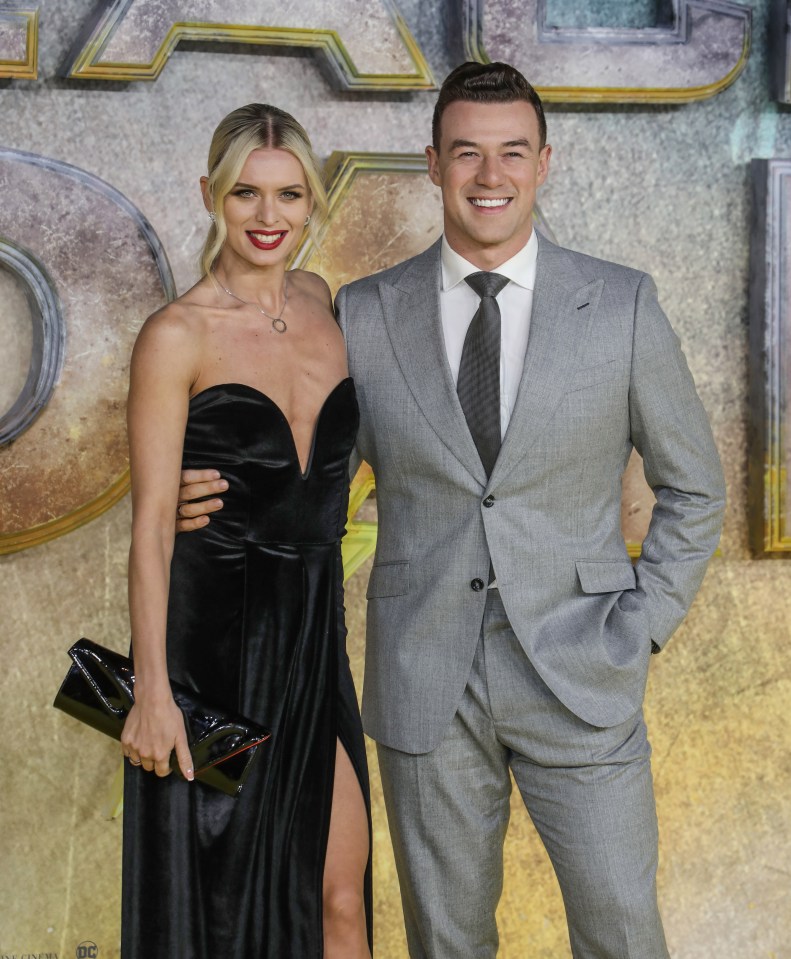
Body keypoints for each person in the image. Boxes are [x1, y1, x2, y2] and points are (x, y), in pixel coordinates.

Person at [178, 63, 726, 959]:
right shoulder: (363, 312)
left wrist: (643, 625)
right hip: (423, 675)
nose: (488, 175)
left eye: (511, 151)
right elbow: (306, 476)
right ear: (431, 164)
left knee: (623, 932)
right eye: (466, 151)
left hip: (583, 672)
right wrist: (203, 498)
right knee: (446, 941)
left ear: (544, 163)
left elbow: (695, 487)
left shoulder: (621, 303)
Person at [121, 103, 372, 959]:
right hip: (216, 648)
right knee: (221, 916)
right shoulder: (175, 335)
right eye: (245, 194)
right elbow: (152, 527)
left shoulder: (320, 301)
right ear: (209, 195)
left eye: (289, 195)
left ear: (313, 203)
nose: (269, 218)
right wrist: (153, 693)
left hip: (313, 638)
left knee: (342, 896)